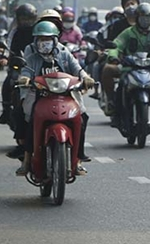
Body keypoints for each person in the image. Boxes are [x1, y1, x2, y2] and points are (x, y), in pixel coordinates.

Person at [16, 20, 95, 176]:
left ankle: (78, 159)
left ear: (55, 40)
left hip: (66, 96)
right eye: (40, 39)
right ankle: (26, 160)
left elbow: (78, 69)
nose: (44, 43)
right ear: (35, 40)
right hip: (40, 95)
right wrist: (24, 79)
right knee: (31, 120)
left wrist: (86, 78)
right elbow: (26, 71)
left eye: (47, 39)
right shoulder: (31, 56)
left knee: (82, 117)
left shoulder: (64, 53)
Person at [102, 3, 150, 123]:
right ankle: (112, 101)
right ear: (137, 19)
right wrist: (113, 56)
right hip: (129, 67)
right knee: (108, 69)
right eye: (142, 18)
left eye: (147, 18)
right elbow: (117, 45)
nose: (144, 21)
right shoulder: (128, 32)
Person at [0, 3, 37, 127]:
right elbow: (7, 44)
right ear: (18, 19)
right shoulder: (14, 31)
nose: (26, 22)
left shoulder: (38, 32)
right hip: (17, 63)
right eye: (23, 19)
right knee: (9, 81)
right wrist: (4, 57)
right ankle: (5, 110)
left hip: (35, 65)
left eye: (29, 19)